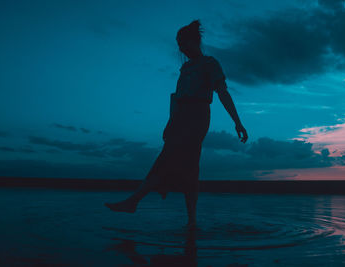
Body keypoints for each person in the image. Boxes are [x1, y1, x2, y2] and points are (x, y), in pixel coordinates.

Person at [104, 19, 248, 229]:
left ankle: (134, 201)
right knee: (189, 167)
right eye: (178, 43)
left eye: (183, 41)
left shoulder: (209, 63)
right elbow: (176, 97)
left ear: (195, 41)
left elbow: (222, 92)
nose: (180, 46)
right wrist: (170, 122)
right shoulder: (185, 68)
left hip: (198, 116)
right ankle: (191, 219)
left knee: (169, 158)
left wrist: (237, 122)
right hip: (180, 117)